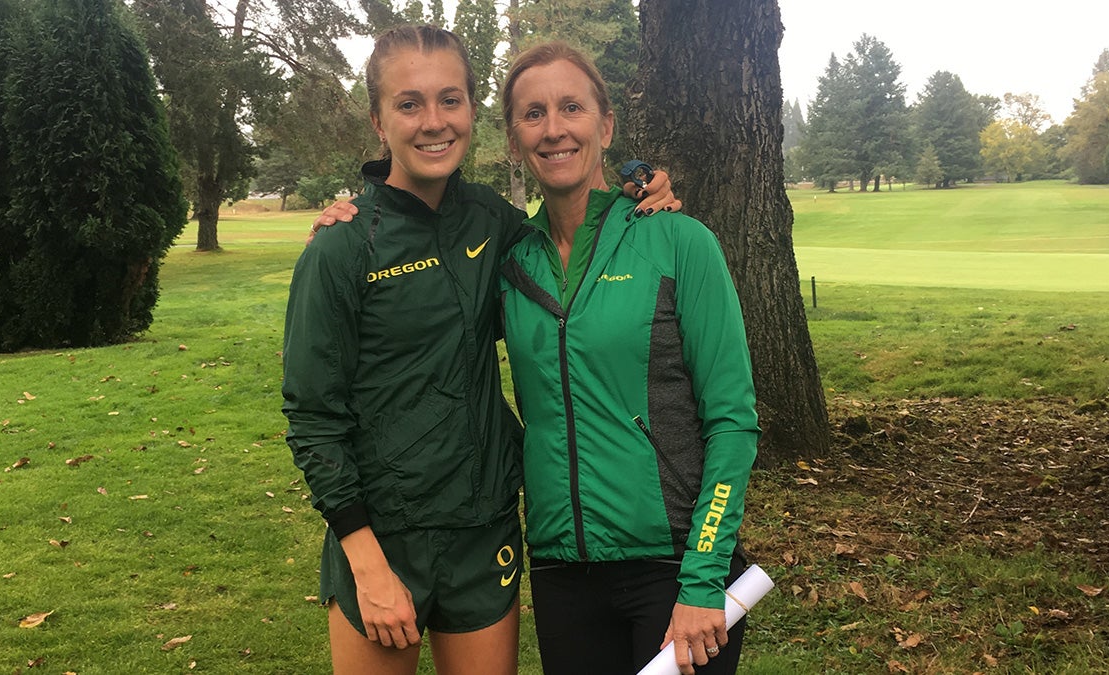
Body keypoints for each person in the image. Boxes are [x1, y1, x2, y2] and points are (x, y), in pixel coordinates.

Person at [281, 25, 678, 675]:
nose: (433, 121)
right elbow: (312, 415)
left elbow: (570, 247)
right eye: (408, 104)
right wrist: (366, 559)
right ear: (379, 122)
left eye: (450, 99)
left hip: (482, 531)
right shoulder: (342, 247)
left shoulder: (493, 223)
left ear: (471, 112)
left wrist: (641, 178)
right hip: (380, 539)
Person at [497, 42, 760, 675]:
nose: (554, 128)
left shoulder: (677, 239)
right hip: (563, 570)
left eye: (571, 108)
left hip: (674, 567)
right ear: (513, 138)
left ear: (605, 125)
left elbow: (733, 419)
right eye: (533, 114)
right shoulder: (509, 262)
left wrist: (703, 579)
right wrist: (348, 219)